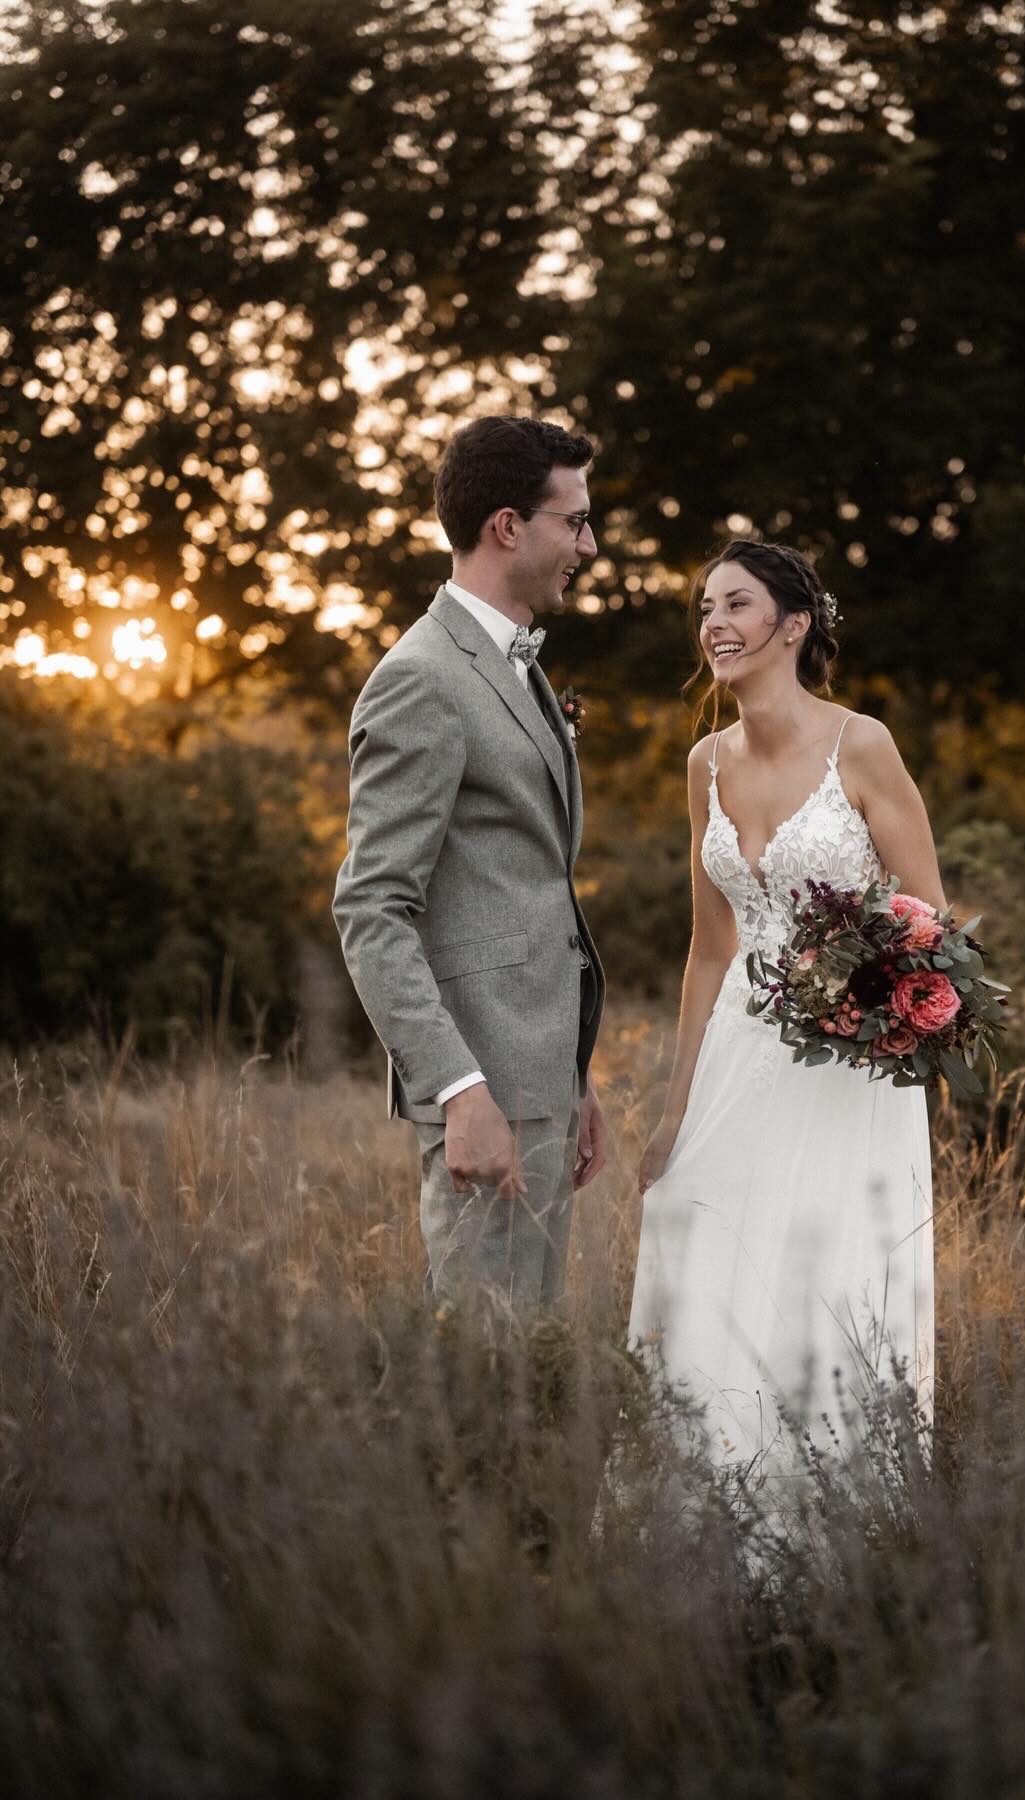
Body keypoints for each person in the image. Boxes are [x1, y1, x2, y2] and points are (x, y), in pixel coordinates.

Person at [628, 538, 941, 1501]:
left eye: (736, 605)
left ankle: (836, 1529)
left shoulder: (864, 744)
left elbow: (930, 917)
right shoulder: (703, 764)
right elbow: (710, 950)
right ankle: (710, 1512)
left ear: (793, 626)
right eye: (705, 608)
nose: (715, 624)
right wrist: (673, 1112)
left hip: (846, 1072)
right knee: (700, 1250)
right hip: (733, 1060)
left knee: (824, 1285)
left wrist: (860, 995)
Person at [333, 415, 607, 1319]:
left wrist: (574, 1076)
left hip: (538, 1078)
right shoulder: (423, 677)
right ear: (507, 527)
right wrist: (460, 1090)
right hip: (483, 1093)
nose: (588, 543)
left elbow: (525, 889)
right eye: (573, 521)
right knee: (481, 1374)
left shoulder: (513, 663)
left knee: (531, 1368)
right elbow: (373, 908)